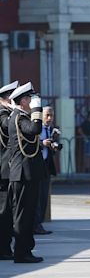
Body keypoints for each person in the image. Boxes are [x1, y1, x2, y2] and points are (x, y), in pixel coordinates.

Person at [8, 82, 44, 263]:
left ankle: (25, 250)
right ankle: (21, 252)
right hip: (22, 173)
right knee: (23, 214)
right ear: (23, 101)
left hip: (26, 172)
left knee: (28, 213)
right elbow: (35, 129)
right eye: (29, 99)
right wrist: (37, 110)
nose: (31, 101)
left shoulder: (20, 116)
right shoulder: (19, 118)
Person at [34, 106, 61, 235]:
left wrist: (54, 145)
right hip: (36, 166)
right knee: (37, 197)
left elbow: (52, 149)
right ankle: (35, 224)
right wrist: (42, 143)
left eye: (51, 115)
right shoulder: (36, 128)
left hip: (46, 166)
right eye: (47, 115)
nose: (49, 118)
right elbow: (30, 143)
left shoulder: (51, 129)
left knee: (44, 197)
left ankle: (39, 223)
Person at [0, 80, 18, 260]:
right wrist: (16, 111)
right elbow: (8, 127)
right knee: (4, 212)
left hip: (7, 169)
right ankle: (3, 248)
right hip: (3, 170)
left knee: (8, 212)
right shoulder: (2, 114)